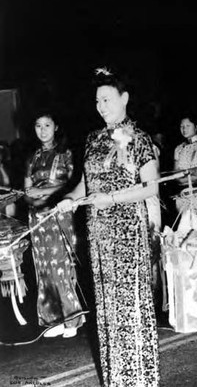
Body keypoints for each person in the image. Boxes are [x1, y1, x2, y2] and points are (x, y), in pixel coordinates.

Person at [58, 67, 160, 386]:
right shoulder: (93, 139)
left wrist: (113, 198)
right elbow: (86, 184)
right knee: (107, 307)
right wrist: (70, 199)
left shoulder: (139, 138)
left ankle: (139, 380)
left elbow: (151, 187)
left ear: (124, 98)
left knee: (130, 305)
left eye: (107, 98)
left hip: (128, 230)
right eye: (97, 100)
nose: (101, 106)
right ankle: (117, 379)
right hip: (98, 233)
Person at [24, 113, 85, 338]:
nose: (42, 130)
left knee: (61, 263)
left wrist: (44, 193)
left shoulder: (65, 153)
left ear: (56, 127)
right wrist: (35, 199)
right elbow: (27, 191)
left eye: (47, 125)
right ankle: (53, 318)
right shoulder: (32, 158)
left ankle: (73, 317)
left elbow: (70, 185)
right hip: (37, 217)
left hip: (59, 213)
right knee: (44, 267)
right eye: (38, 126)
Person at [173, 115, 197, 224]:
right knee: (185, 227)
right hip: (182, 195)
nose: (184, 129)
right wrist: (184, 180)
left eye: (187, 126)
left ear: (196, 127)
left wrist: (185, 178)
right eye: (182, 126)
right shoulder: (178, 149)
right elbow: (176, 173)